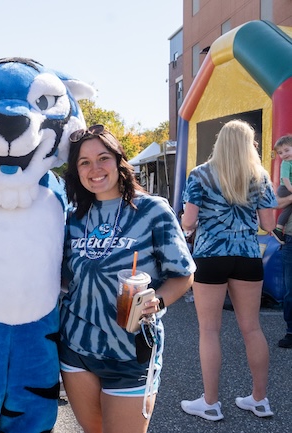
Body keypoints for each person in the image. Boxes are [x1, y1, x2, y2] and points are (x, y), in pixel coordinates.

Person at [60, 124, 195, 433]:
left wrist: (157, 301)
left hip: (132, 350)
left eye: (103, 157)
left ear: (118, 160)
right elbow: (64, 278)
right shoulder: (73, 216)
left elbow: (183, 275)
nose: (95, 168)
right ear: (76, 171)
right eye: (84, 162)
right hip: (76, 348)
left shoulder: (152, 210)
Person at [180, 119, 276, 421]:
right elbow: (269, 225)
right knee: (252, 328)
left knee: (209, 330)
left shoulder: (200, 175)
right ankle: (260, 400)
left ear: (220, 142)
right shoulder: (259, 176)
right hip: (247, 255)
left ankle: (210, 403)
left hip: (210, 255)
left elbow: (188, 223)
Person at [275, 188, 292, 348]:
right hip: (290, 240)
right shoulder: (288, 181)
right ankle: (291, 332)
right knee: (290, 291)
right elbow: (276, 203)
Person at [271, 135, 292, 243]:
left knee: (289, 208)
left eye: (286, 150)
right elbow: (285, 178)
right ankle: (278, 228)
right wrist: (290, 188)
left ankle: (279, 228)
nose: (284, 154)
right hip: (285, 188)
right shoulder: (286, 163)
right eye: (280, 153)